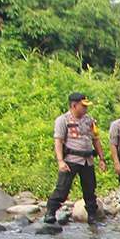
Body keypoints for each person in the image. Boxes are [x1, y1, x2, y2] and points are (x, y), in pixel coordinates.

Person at [45, 92, 106, 225]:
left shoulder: (89, 120)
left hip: (87, 160)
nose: (85, 109)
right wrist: (60, 161)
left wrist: (102, 158)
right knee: (62, 189)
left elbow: (96, 140)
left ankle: (92, 216)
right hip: (70, 160)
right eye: (83, 106)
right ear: (74, 105)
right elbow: (58, 141)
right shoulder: (63, 120)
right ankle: (50, 212)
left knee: (90, 190)